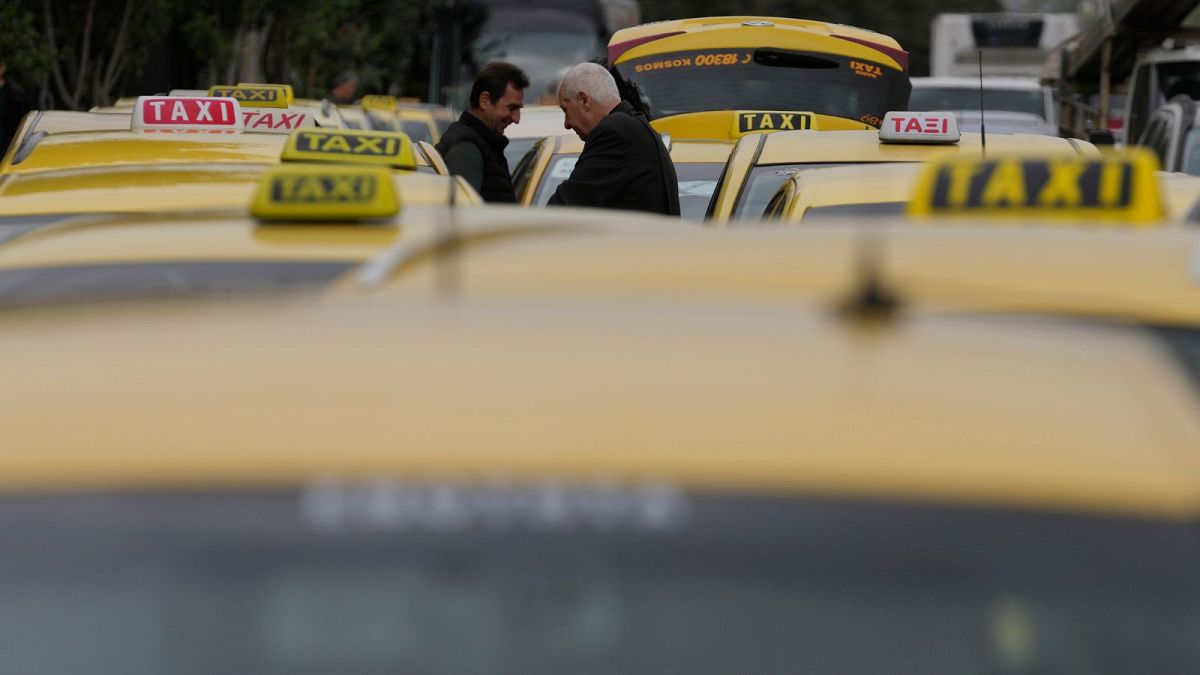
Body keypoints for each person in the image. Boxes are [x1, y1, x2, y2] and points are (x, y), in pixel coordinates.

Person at [547, 63, 679, 216]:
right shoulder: (636, 128)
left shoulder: (615, 132)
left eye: (566, 110)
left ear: (584, 100)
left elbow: (563, 208)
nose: (567, 124)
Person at [434, 62, 528, 203]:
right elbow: (464, 215)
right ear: (485, 101)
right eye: (512, 108)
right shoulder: (466, 149)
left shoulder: (478, 144)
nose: (516, 118)